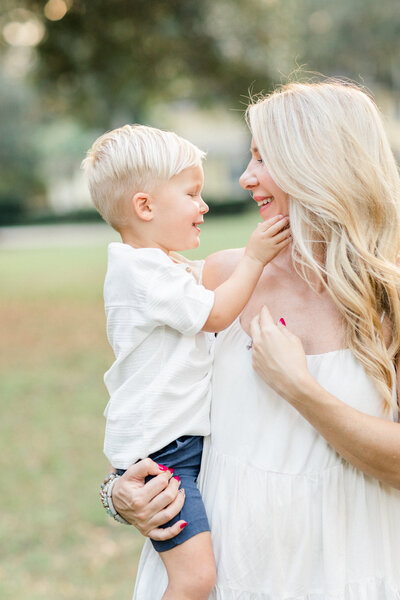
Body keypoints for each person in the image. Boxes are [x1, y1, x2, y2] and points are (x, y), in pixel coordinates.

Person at [108, 80, 400, 599]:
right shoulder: (220, 279)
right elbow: (145, 394)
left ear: (317, 164)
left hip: (350, 570)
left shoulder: (391, 301)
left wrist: (300, 388)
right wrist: (118, 493)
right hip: (233, 573)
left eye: (263, 158)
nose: (245, 178)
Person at [82, 124, 290, 600]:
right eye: (192, 194)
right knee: (194, 578)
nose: (204, 206)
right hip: (166, 452)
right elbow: (215, 315)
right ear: (145, 207)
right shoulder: (143, 272)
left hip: (173, 443)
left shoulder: (160, 266)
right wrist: (256, 259)